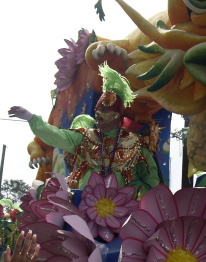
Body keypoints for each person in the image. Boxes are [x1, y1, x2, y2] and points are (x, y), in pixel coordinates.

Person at [9, 62, 160, 193]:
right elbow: (57, 136)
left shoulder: (135, 144)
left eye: (105, 111)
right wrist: (31, 118)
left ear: (117, 116)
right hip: (86, 211)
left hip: (124, 212)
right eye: (97, 110)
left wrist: (145, 193)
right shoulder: (85, 137)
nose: (99, 114)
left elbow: (151, 177)